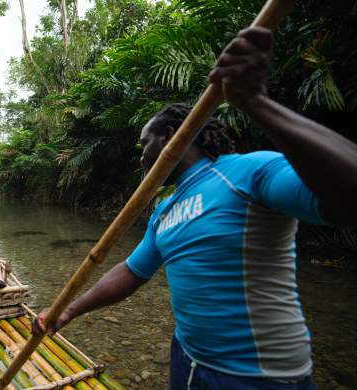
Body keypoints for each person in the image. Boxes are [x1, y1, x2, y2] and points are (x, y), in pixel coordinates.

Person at [34, 27, 357, 389]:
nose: (142, 158)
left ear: (170, 137)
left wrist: (256, 103)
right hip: (186, 358)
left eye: (146, 144)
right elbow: (131, 272)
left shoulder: (249, 172)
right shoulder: (165, 209)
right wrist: (69, 311)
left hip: (259, 378)